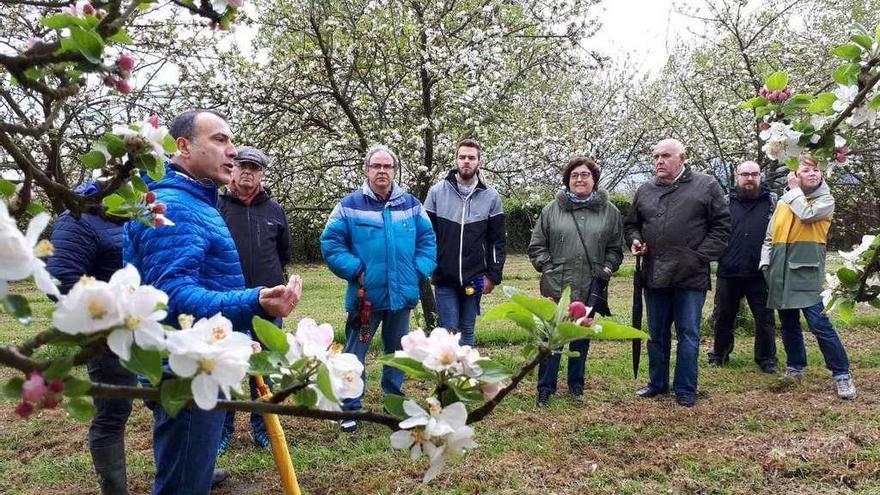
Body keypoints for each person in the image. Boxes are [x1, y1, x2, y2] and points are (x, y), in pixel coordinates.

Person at [124, 109, 301, 494]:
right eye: (220, 140)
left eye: (232, 142)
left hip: (199, 357)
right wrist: (255, 301)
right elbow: (174, 297)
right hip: (187, 369)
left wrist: (238, 332)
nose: (232, 151)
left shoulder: (194, 202)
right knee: (183, 485)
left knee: (188, 473)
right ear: (182, 147)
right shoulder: (176, 207)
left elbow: (199, 281)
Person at [320, 145, 436, 433]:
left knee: (398, 352)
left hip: (402, 297)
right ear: (366, 169)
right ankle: (350, 409)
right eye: (376, 166)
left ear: (394, 171)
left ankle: (394, 404)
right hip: (365, 299)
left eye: (387, 166)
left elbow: (428, 241)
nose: (382, 171)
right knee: (353, 353)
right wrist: (355, 269)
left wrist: (417, 271)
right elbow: (331, 243)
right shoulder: (348, 205)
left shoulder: (411, 204)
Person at [624, 138, 730, 407]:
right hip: (654, 273)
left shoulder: (706, 186)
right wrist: (635, 240)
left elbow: (722, 227)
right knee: (656, 333)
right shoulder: (645, 190)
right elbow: (631, 225)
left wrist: (699, 257)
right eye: (656, 156)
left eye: (666, 156)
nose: (659, 161)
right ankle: (657, 384)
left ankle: (685, 389)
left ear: (682, 158)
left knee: (688, 333)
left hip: (690, 275)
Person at [46, 181, 135, 495]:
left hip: (146, 324)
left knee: (167, 400)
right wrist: (108, 313)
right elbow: (59, 280)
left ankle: (184, 470)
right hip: (104, 333)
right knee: (113, 412)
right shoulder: (78, 217)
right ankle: (114, 490)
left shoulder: (135, 211)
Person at [528, 156, 623, 406]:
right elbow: (537, 245)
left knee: (581, 333)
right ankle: (545, 388)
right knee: (552, 336)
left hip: (590, 284)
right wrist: (547, 266)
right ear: (567, 181)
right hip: (557, 284)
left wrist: (607, 267)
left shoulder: (610, 212)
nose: (579, 179)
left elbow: (615, 248)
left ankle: (576, 384)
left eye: (585, 175)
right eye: (574, 175)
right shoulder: (551, 210)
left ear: (594, 180)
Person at [760, 154, 857, 399]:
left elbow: (806, 213)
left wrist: (792, 191)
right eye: (807, 170)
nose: (814, 173)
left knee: (819, 324)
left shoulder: (825, 200)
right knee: (789, 323)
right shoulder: (784, 201)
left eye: (816, 170)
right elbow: (770, 235)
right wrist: (765, 263)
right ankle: (796, 367)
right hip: (779, 271)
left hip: (806, 271)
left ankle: (842, 374)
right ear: (795, 174)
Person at [217, 146, 292, 453]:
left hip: (267, 302)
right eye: (241, 165)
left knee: (265, 368)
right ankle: (222, 431)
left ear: (262, 174)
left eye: (254, 167)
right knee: (225, 368)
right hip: (224, 301)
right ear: (231, 170)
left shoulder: (275, 210)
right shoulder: (216, 206)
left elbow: (284, 252)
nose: (247, 171)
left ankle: (264, 428)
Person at [424, 139, 506, 346]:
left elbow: (497, 241)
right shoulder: (436, 192)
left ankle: (466, 377)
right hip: (444, 277)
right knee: (449, 331)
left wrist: (493, 276)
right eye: (462, 157)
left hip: (475, 277)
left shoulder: (491, 196)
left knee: (467, 330)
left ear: (479, 161)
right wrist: (429, 265)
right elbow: (426, 236)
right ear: (456, 160)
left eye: (471, 157)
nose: (466, 161)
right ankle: (451, 377)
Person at [708, 161, 779, 373]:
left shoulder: (773, 202)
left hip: (760, 272)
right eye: (745, 174)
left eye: (754, 174)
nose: (750, 178)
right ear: (737, 177)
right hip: (729, 269)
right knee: (723, 316)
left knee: (765, 318)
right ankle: (719, 355)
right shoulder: (724, 202)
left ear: (761, 177)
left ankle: (767, 359)